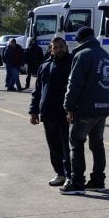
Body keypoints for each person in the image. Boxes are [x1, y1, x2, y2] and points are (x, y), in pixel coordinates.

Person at [60, 26, 109, 195]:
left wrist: (68, 106)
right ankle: (98, 180)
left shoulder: (82, 55)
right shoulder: (105, 55)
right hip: (103, 108)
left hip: (86, 109)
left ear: (80, 40)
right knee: (97, 145)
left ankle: (77, 183)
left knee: (76, 143)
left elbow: (74, 84)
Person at [29, 37, 73, 187]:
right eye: (55, 47)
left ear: (66, 47)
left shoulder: (73, 64)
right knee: (53, 146)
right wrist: (33, 111)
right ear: (51, 49)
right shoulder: (45, 66)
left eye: (61, 46)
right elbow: (37, 91)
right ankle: (60, 174)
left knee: (67, 147)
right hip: (48, 113)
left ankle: (70, 175)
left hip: (66, 113)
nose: (58, 49)